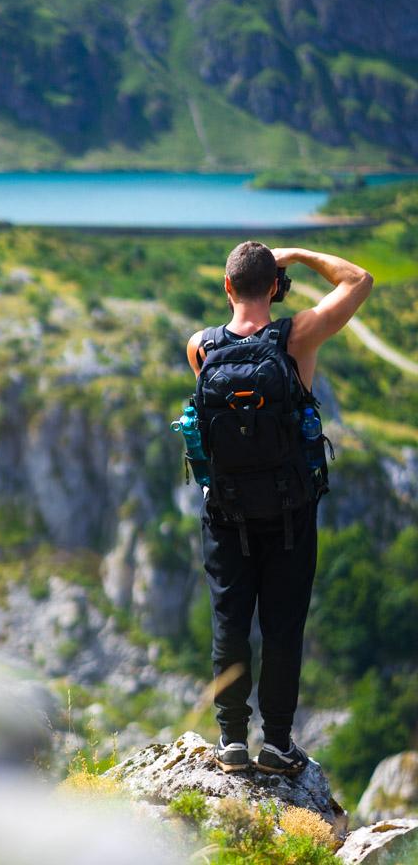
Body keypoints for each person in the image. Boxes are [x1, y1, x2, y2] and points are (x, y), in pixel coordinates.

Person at [186, 241, 373, 775]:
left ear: (226, 287)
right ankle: (278, 744)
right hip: (289, 514)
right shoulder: (297, 337)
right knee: (283, 627)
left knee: (230, 623)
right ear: (274, 286)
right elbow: (359, 279)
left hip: (225, 513)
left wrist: (265, 268)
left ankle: (230, 742)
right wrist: (296, 254)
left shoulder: (200, 347)